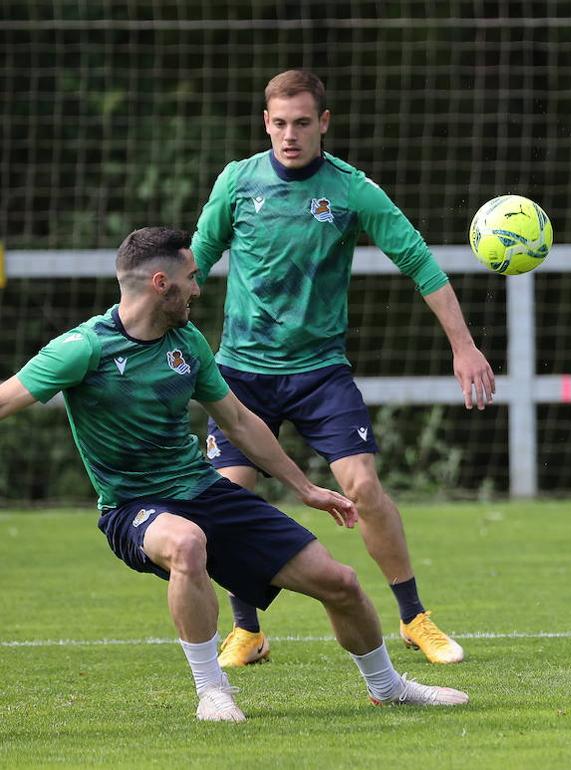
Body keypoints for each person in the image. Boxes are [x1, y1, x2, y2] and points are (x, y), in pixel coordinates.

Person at [0, 227, 469, 721]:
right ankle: (212, 691)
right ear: (161, 283)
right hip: (133, 506)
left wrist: (305, 488)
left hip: (203, 491)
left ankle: (389, 688)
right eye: (191, 277)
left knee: (341, 582)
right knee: (186, 544)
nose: (198, 288)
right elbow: (6, 398)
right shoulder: (83, 347)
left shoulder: (188, 343)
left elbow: (240, 422)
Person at [191, 70, 495, 668]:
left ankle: (414, 618)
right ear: (265, 123)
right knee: (228, 496)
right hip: (241, 373)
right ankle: (247, 631)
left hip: (319, 372)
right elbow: (194, 265)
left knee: (362, 486)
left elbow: (419, 262)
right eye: (280, 123)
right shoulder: (237, 181)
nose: (290, 135)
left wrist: (464, 346)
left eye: (303, 123)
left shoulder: (352, 190)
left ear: (323, 123)